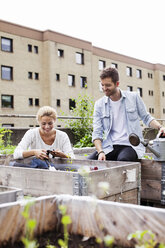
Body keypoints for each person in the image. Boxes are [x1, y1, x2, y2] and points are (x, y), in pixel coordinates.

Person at [88, 67, 165, 161]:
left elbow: (146, 117)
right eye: (102, 85)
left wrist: (160, 127)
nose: (104, 88)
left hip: (131, 146)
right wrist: (100, 152)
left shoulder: (133, 97)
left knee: (123, 161)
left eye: (108, 85)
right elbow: (97, 132)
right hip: (109, 147)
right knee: (88, 163)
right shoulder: (99, 104)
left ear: (117, 84)